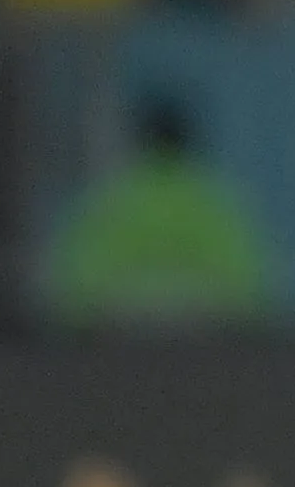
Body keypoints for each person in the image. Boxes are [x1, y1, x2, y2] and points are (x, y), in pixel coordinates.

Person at [46, 97, 270, 326]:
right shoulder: (215, 206)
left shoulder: (111, 202)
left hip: (117, 350)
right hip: (203, 350)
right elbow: (250, 291)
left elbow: (72, 291)